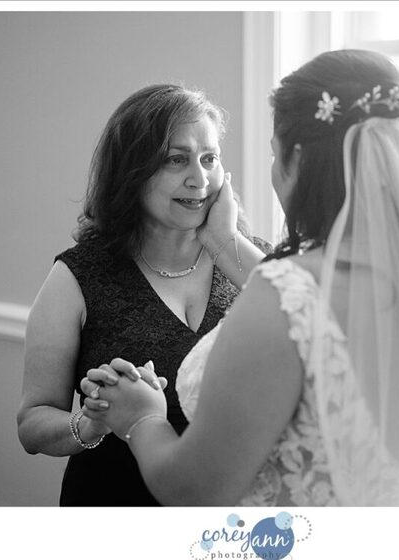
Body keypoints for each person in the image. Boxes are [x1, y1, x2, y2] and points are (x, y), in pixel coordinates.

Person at [80, 50, 399, 506]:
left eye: (274, 154)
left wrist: (142, 417)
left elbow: (195, 490)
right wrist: (224, 239)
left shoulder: (287, 296)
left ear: (299, 161)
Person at [16, 84, 270, 506]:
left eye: (210, 159)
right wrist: (90, 423)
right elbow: (32, 424)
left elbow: (312, 317)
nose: (200, 178)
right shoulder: (77, 277)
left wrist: (224, 241)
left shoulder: (249, 262)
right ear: (132, 171)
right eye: (176, 159)